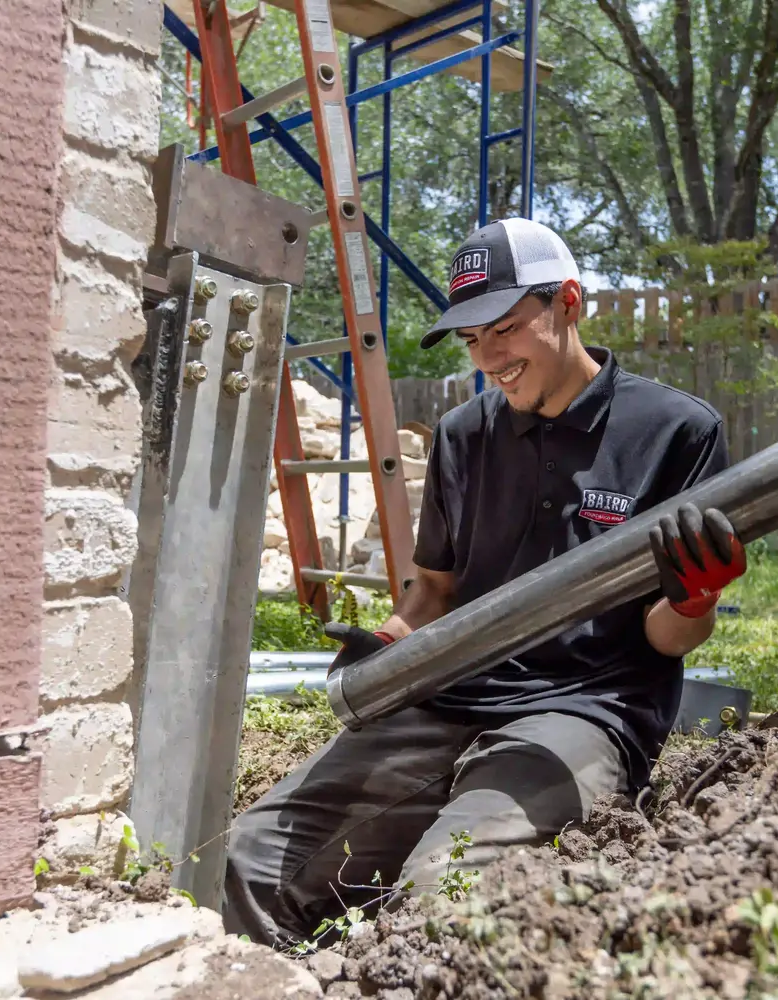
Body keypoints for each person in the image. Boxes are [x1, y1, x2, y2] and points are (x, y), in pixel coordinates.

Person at [222, 218, 745, 948]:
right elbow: (434, 590)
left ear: (567, 301)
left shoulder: (674, 431)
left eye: (504, 328)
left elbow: (667, 636)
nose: (488, 358)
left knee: (445, 893)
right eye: (470, 340)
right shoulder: (464, 435)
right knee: (250, 862)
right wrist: (390, 641)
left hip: (583, 710)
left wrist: (695, 598)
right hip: (449, 698)